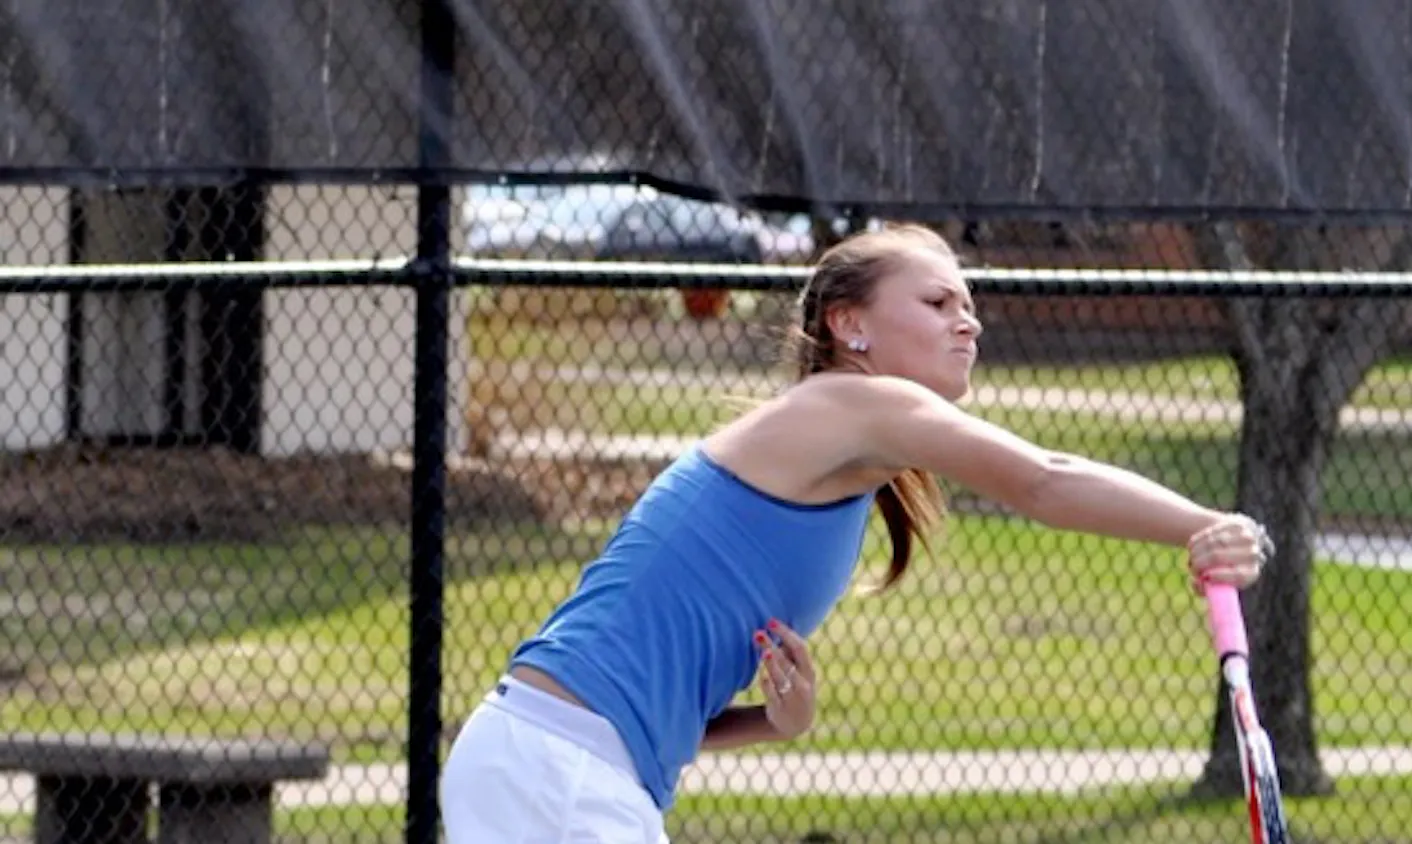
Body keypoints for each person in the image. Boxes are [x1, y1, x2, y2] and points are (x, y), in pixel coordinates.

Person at [438, 224, 1272, 843]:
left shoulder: (848, 469)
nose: (968, 323)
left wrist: (776, 722)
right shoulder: (850, 405)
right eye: (939, 302)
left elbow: (660, 706)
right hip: (555, 773)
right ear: (850, 325)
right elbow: (1042, 479)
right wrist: (1205, 526)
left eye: (970, 307)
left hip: (552, 764)